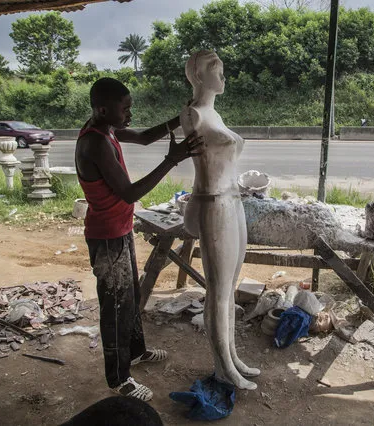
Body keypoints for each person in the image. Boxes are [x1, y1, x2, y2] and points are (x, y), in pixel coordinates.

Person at [74, 77, 203, 401]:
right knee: (115, 308)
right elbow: (130, 193)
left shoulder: (106, 128)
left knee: (129, 297)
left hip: (119, 230)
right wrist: (172, 159)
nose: (130, 114)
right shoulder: (96, 142)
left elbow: (146, 137)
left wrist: (182, 117)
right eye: (125, 108)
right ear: (103, 109)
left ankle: (135, 352)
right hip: (107, 238)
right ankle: (118, 378)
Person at [181, 51, 259, 390]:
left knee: (230, 287)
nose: (223, 75)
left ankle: (232, 356)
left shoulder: (215, 113)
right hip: (212, 203)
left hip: (232, 200)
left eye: (223, 68)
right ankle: (223, 366)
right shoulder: (193, 114)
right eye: (216, 68)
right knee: (218, 289)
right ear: (197, 75)